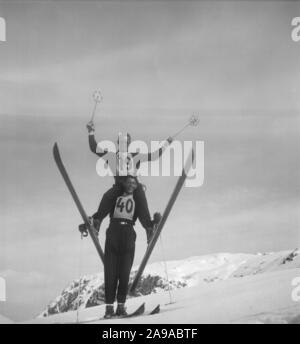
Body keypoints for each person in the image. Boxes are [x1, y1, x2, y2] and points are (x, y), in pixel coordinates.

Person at [79, 175, 161, 318]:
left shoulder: (137, 198)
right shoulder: (115, 196)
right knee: (110, 272)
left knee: (124, 273)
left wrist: (150, 224)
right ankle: (109, 309)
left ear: (136, 186)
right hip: (113, 232)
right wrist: (90, 223)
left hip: (129, 233)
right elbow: (103, 209)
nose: (131, 185)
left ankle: (121, 307)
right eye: (128, 182)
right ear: (123, 184)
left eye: (134, 183)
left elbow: (143, 213)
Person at [86, 120, 172, 240]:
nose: (123, 144)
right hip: (119, 186)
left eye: (125, 142)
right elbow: (94, 147)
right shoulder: (112, 156)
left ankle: (149, 228)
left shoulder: (134, 155)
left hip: (133, 184)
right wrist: (91, 132)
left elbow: (154, 155)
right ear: (118, 143)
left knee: (140, 196)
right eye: (121, 142)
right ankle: (97, 221)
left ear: (128, 143)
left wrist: (167, 143)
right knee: (108, 196)